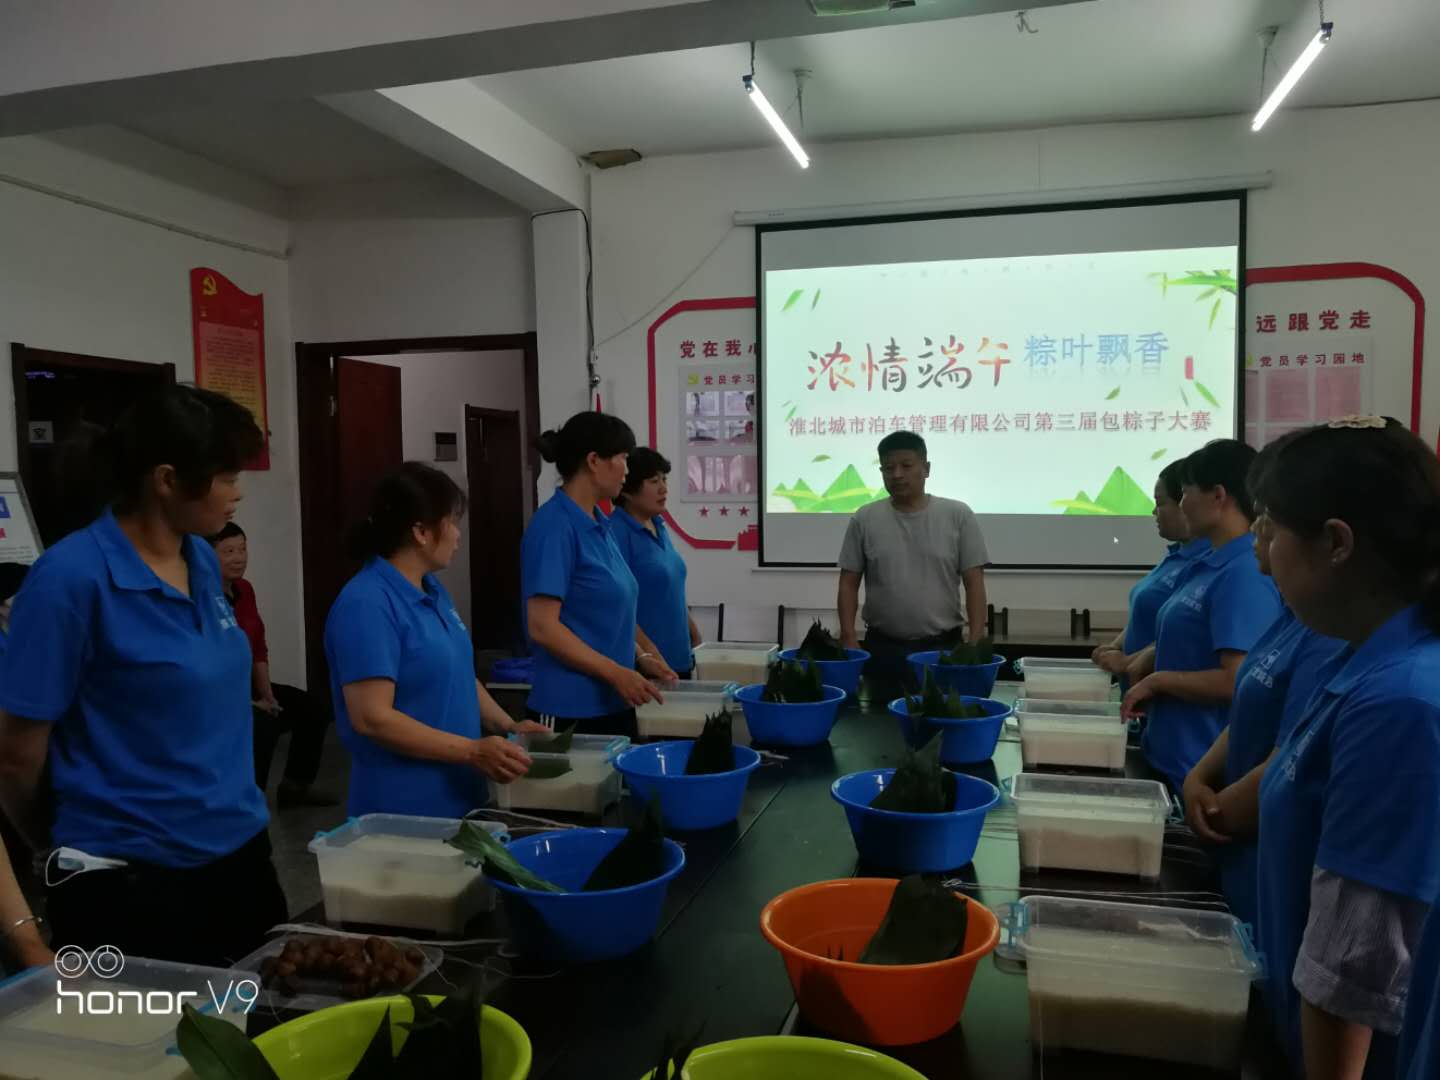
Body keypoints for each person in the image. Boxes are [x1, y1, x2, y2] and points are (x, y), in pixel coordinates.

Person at [0, 385, 287, 967]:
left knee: (259, 1014)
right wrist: (62, 842)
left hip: (237, 852)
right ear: (167, 480)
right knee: (153, 1026)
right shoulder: (69, 579)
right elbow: (16, 757)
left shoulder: (199, 558)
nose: (237, 492)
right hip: (129, 879)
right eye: (227, 477)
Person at [1250, 418, 1440, 1080]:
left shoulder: (1400, 702)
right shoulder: (1364, 663)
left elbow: (1353, 969)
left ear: (1335, 543)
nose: (1263, 547)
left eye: (1272, 527)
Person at [325, 463, 542, 819]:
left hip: (459, 793)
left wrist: (508, 727)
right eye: (452, 522)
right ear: (421, 532)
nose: (457, 536)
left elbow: (459, 675)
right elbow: (372, 718)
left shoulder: (432, 590)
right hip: (404, 807)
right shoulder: (367, 603)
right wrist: (472, 750)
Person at [1179, 456, 1343, 929]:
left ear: (1335, 541)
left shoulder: (1332, 636)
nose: (1257, 529)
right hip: (1235, 845)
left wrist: (1210, 814)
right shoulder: (1294, 617)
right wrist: (1197, 779)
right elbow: (1249, 708)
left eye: (1270, 518)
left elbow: (1290, 760)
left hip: (1260, 851)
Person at [1122, 439, 1282, 792]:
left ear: (1218, 496)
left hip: (1199, 768)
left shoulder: (1244, 572)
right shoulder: (1209, 563)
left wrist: (1158, 681)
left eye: (1186, 493)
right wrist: (1150, 655)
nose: (1181, 504)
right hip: (1169, 754)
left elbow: (1236, 679)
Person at [522, 412, 671, 739]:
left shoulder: (599, 524)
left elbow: (607, 613)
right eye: (623, 458)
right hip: (569, 710)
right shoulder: (554, 527)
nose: (627, 470)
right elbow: (543, 627)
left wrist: (641, 656)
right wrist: (616, 673)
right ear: (593, 461)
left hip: (614, 701)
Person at [837, 431, 989, 697]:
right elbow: (848, 583)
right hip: (882, 650)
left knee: (941, 718)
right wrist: (849, 635)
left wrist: (975, 641)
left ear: (926, 469)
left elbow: (974, 584)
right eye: (888, 468)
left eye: (906, 465)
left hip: (942, 649)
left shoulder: (958, 516)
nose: (897, 474)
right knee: (878, 720)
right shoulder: (865, 519)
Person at [209, 523, 335, 807]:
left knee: (314, 709)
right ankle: (249, 803)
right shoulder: (201, 597)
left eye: (242, 549)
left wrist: (267, 694)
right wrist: (249, 703)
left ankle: (295, 787)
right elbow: (211, 665)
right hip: (220, 692)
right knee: (263, 727)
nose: (239, 558)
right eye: (228, 551)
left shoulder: (245, 590)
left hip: (248, 683)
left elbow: (257, 647)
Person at [1092, 458, 1207, 684]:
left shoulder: (1208, 562)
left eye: (1160, 503)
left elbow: (1187, 635)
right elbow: (1144, 615)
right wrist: (1114, 647)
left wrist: (1128, 662)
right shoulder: (1176, 556)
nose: (1154, 511)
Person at [609, 448, 702, 680]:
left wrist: (693, 632)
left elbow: (670, 589)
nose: (663, 488)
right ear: (628, 491)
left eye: (664, 479)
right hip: (646, 666)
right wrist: (649, 654)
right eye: (653, 481)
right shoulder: (615, 532)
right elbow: (618, 608)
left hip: (679, 659)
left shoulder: (658, 525)